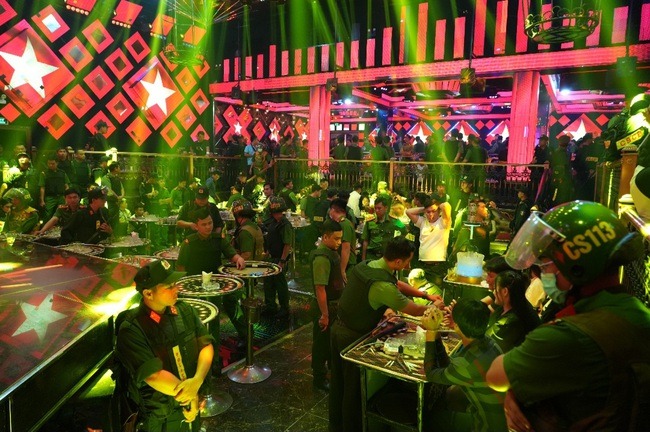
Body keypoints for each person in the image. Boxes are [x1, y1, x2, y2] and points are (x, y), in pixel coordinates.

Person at [486, 201, 650, 431]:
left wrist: (515, 390)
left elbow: (496, 376)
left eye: (546, 266)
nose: (542, 274)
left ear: (577, 266)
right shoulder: (635, 311)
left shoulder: (570, 335)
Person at [329, 237, 436, 432]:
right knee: (352, 391)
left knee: (338, 384)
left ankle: (336, 426)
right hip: (350, 337)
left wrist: (425, 295)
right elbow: (413, 309)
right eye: (407, 261)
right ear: (398, 261)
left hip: (337, 328)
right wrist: (434, 307)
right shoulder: (381, 286)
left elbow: (397, 284)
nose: (408, 265)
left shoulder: (368, 265)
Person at [115, 259, 213, 432]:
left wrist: (197, 381)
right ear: (148, 293)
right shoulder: (132, 329)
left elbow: (205, 345)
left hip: (193, 399)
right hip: (160, 416)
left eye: (175, 284)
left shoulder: (184, 309)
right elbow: (153, 375)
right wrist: (190, 398)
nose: (176, 290)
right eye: (169, 287)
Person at [421, 299, 507, 432]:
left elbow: (431, 375)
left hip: (487, 426)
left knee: (431, 420)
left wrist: (430, 332)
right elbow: (450, 366)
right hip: (502, 417)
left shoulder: (466, 364)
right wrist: (437, 330)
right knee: (449, 397)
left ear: (456, 326)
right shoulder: (489, 342)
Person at [176, 208, 247, 353]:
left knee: (227, 307)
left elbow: (231, 254)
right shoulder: (189, 242)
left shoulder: (218, 239)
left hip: (216, 284)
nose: (208, 227)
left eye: (210, 223)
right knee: (202, 317)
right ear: (196, 226)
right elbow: (181, 267)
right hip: (195, 286)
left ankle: (243, 337)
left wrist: (239, 259)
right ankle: (205, 349)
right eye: (204, 224)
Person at [309, 219, 344, 392]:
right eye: (336, 239)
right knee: (321, 345)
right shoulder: (322, 258)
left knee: (330, 342)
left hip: (333, 306)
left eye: (340, 239)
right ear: (325, 237)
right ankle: (319, 378)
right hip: (325, 307)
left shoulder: (331, 253)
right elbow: (320, 288)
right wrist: (324, 314)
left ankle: (331, 371)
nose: (339, 242)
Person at [486, 271, 541, 353]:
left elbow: (488, 349)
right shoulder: (509, 305)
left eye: (495, 288)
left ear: (505, 291)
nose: (494, 293)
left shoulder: (513, 320)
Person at [406, 197, 452, 288]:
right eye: (428, 212)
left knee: (435, 291)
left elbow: (446, 206)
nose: (431, 214)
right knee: (419, 291)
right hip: (421, 264)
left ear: (438, 211)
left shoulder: (444, 222)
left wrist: (436, 206)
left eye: (434, 211)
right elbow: (408, 212)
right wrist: (424, 208)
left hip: (437, 267)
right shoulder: (423, 222)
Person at [262, 197, 294, 318]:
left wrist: (282, 260)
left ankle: (284, 308)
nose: (277, 214)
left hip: (279, 258)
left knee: (280, 285)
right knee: (269, 283)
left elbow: (287, 244)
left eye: (278, 212)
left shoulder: (285, 224)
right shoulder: (273, 222)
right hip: (272, 257)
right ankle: (270, 306)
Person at [360, 196, 406, 261]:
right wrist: (363, 259)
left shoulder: (394, 222)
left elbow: (404, 231)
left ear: (386, 208)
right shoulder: (370, 222)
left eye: (379, 208)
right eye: (375, 208)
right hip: (371, 257)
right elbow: (365, 241)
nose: (377, 211)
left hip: (386, 258)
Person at [328, 198, 357, 278]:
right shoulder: (337, 223)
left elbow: (346, 249)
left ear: (333, 210)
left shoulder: (344, 224)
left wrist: (342, 270)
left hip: (347, 264)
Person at [39, 154, 70, 222]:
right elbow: (42, 187)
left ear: (57, 163)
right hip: (50, 197)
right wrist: (42, 200)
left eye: (53, 164)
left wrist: (67, 198)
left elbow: (66, 186)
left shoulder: (62, 173)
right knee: (48, 214)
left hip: (61, 196)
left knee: (64, 213)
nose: (50, 165)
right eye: (49, 163)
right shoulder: (44, 173)